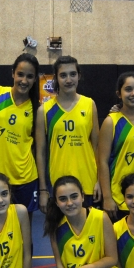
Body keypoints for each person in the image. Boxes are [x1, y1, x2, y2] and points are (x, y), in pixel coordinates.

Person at [36, 56, 100, 213]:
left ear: (79, 76)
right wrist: (43, 189)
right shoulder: (45, 110)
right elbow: (41, 153)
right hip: (57, 184)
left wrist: (99, 181)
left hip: (87, 182)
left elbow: (97, 147)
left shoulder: (89, 104)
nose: (68, 79)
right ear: (56, 78)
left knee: (88, 227)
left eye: (73, 74)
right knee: (60, 228)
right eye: (63, 75)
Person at [0, 53, 41, 220]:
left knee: (23, 228)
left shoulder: (37, 109)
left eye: (29, 76)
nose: (24, 80)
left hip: (25, 178)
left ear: (35, 79)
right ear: (12, 73)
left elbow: (39, 148)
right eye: (20, 74)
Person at [97, 71, 134, 221]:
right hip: (118, 197)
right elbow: (102, 162)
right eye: (128, 89)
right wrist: (107, 197)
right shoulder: (111, 121)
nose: (133, 93)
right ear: (119, 93)